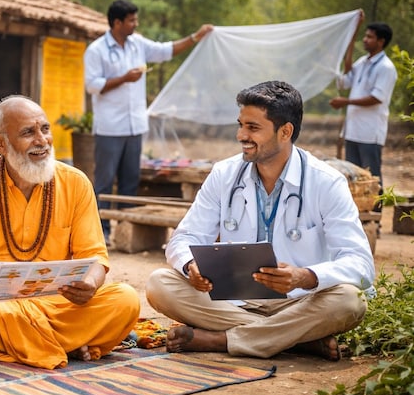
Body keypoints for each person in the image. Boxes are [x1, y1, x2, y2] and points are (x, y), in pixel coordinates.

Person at [146, 81, 375, 362]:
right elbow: (184, 238)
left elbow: (361, 265)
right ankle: (295, 341)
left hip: (300, 301)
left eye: (253, 128)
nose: (241, 135)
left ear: (285, 132)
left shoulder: (326, 182)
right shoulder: (224, 174)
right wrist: (191, 265)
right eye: (240, 125)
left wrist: (304, 276)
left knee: (351, 300)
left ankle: (222, 340)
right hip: (231, 301)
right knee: (160, 284)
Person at [0, 95, 140, 369]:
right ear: (0, 143)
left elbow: (95, 258)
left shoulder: (75, 183)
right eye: (28, 133)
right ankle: (62, 344)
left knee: (125, 300)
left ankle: (2, 346)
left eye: (45, 129)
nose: (42, 141)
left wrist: (89, 285)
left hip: (56, 302)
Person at [84, 0, 213, 244]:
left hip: (135, 125)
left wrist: (195, 37)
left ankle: (124, 232)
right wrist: (124, 78)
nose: (136, 23)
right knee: (104, 182)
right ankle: (101, 234)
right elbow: (92, 85)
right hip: (110, 127)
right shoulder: (96, 50)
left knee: (130, 182)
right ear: (117, 22)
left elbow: (166, 51)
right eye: (132, 20)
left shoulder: (138, 45)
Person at [330, 15, 397, 213]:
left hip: (370, 131)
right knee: (353, 175)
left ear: (380, 41)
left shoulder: (386, 68)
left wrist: (346, 101)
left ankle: (375, 216)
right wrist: (351, 38)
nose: (365, 40)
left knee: (372, 176)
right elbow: (346, 78)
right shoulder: (363, 62)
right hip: (353, 130)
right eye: (365, 36)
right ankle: (358, 214)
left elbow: (377, 98)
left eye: (369, 37)